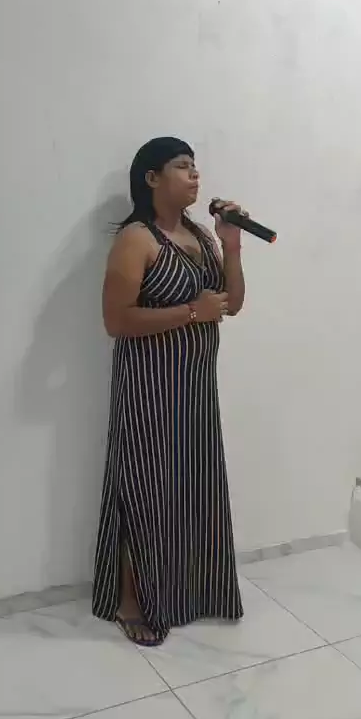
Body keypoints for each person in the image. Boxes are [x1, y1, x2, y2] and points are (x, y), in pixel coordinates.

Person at [92, 136, 245, 646]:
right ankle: (131, 600)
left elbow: (231, 303)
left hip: (196, 389)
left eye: (195, 166)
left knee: (191, 487)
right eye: (183, 166)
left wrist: (231, 243)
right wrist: (190, 312)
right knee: (145, 488)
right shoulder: (137, 239)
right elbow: (116, 321)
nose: (195, 174)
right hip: (149, 389)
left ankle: (186, 592)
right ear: (152, 178)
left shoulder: (201, 236)